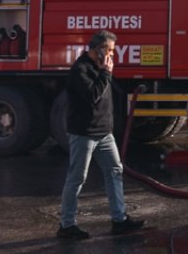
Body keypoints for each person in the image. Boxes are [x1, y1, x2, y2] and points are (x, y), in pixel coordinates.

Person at [57, 30, 146, 240]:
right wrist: (106, 73)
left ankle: (119, 220)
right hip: (84, 134)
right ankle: (66, 225)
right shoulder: (80, 70)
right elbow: (93, 96)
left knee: (115, 170)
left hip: (104, 134)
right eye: (110, 51)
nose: (112, 56)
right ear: (98, 51)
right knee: (77, 178)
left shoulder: (99, 68)